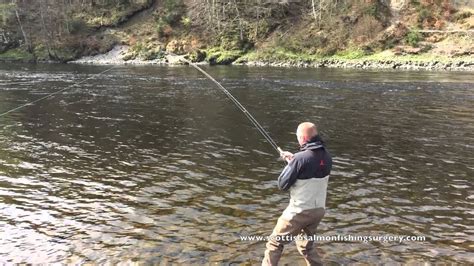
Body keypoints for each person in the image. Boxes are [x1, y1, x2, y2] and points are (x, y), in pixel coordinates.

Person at [262, 122, 332, 266]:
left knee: (274, 243)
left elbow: (282, 184)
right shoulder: (327, 157)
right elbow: (310, 167)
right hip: (318, 210)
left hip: (299, 211)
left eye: (298, 137)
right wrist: (293, 161)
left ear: (303, 138)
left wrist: (291, 164)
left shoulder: (299, 159)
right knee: (306, 246)